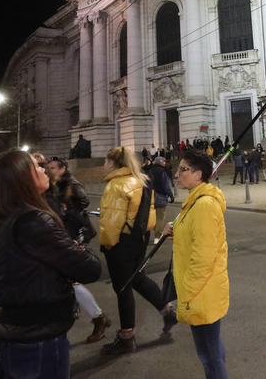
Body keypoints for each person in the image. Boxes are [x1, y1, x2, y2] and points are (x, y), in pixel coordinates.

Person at [0, 150, 101, 379]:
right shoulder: (34, 221)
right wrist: (81, 248)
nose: (43, 169)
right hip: (38, 336)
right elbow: (89, 268)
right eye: (35, 167)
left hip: (20, 330)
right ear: (21, 180)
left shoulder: (4, 216)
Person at [98, 146, 178, 354]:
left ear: (113, 164)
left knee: (123, 288)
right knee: (137, 278)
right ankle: (167, 311)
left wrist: (107, 244)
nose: (104, 165)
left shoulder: (116, 185)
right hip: (140, 237)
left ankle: (126, 336)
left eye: (106, 162)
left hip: (121, 242)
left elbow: (112, 221)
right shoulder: (140, 180)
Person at [161, 150, 230, 379]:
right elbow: (194, 236)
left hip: (201, 292)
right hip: (203, 291)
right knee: (212, 349)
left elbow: (203, 258)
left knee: (209, 355)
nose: (177, 174)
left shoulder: (203, 205)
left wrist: (186, 292)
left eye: (183, 169)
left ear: (198, 174)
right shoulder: (194, 200)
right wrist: (174, 230)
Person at [46, 155, 112, 344]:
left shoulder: (70, 184)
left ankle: (99, 318)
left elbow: (82, 202)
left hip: (73, 232)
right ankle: (93, 315)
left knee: (71, 279)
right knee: (67, 279)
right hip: (64, 232)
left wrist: (67, 210)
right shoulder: (54, 185)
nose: (49, 171)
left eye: (52, 168)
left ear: (62, 169)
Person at [147, 156, 174, 244]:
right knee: (160, 216)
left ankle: (156, 233)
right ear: (160, 162)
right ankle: (157, 236)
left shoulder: (150, 171)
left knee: (153, 217)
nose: (165, 163)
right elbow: (165, 185)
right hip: (160, 196)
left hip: (150, 196)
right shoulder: (162, 172)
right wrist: (171, 195)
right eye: (163, 162)